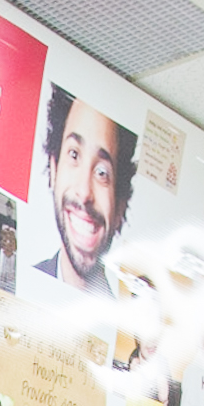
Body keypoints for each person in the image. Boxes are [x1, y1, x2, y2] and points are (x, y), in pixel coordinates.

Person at [35, 87, 132, 294]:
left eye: (102, 172)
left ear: (120, 207)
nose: (84, 192)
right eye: (74, 155)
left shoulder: (124, 326)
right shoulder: (18, 287)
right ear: (53, 170)